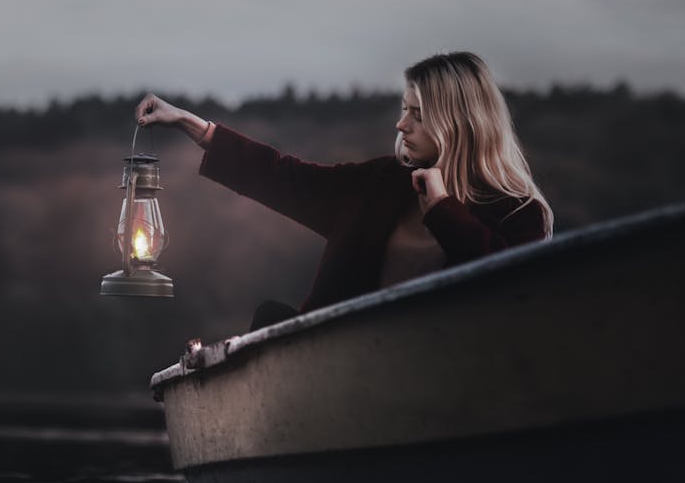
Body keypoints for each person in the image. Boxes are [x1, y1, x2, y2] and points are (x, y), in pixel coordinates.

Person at [135, 51, 553, 330]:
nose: (401, 125)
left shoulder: (521, 214)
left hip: (447, 389)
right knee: (270, 319)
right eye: (403, 109)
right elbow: (281, 176)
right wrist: (190, 124)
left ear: (459, 123)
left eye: (418, 115)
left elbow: (515, 293)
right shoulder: (379, 185)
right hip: (334, 381)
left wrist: (444, 210)